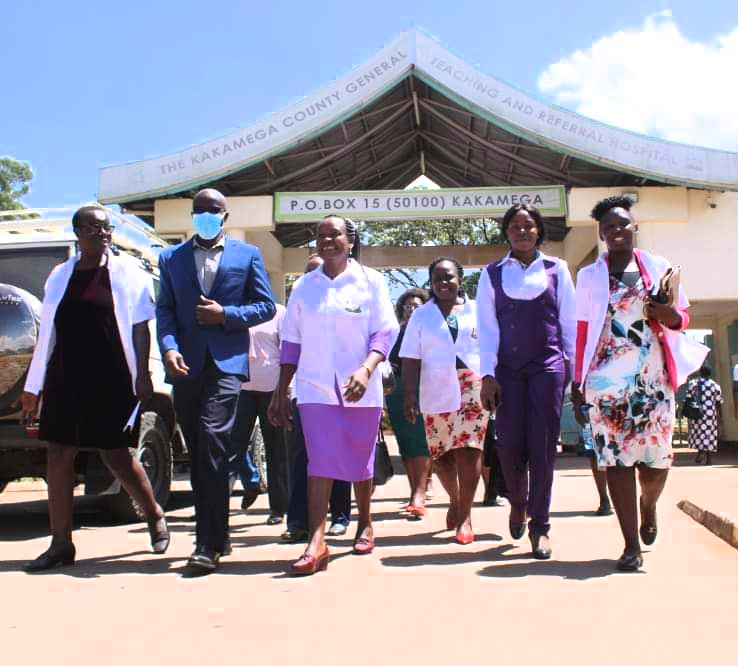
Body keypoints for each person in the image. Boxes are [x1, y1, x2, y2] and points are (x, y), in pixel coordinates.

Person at [19, 206, 168, 572]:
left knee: (115, 455)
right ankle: (61, 543)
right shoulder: (59, 275)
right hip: (65, 375)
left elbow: (139, 327)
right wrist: (33, 386)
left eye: (107, 228)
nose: (103, 233)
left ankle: (153, 513)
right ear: (78, 233)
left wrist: (143, 376)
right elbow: (48, 334)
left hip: (112, 375)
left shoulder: (127, 273)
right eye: (94, 228)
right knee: (58, 453)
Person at [572, 195, 698, 572]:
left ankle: (649, 504)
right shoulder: (589, 276)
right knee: (615, 461)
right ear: (602, 233)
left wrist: (668, 314)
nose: (617, 231)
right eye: (609, 227)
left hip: (652, 379)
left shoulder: (657, 267)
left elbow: (683, 318)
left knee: (657, 464)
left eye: (623, 224)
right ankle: (630, 545)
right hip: (605, 380)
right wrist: (578, 383)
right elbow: (581, 332)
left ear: (634, 227)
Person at [269, 216, 398, 575]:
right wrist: (282, 390)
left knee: (360, 461)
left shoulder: (372, 282)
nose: (327, 241)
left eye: (335, 234)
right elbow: (291, 341)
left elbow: (385, 331)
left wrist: (367, 369)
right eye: (321, 235)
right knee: (319, 461)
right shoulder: (304, 286)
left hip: (360, 387)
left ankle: (365, 522)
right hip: (314, 387)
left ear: (351, 239)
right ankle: (317, 541)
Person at [156, 188, 276, 573]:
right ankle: (218, 535)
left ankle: (206, 544)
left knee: (212, 443)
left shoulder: (247, 255)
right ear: (192, 217)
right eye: (199, 212)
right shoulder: (170, 258)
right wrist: (169, 348)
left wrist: (226, 314)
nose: (205, 216)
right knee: (200, 451)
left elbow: (265, 306)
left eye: (213, 211)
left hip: (227, 365)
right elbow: (166, 311)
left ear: (224, 216)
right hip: (185, 367)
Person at [476, 204, 576, 560]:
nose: (522, 231)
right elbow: (487, 330)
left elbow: (568, 324)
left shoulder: (556, 269)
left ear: (538, 231)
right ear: (506, 232)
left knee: (543, 447)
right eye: (515, 226)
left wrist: (574, 374)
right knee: (508, 446)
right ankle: (518, 502)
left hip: (548, 366)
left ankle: (540, 527)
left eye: (529, 225)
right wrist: (487, 375)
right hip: (507, 370)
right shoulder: (491, 274)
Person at [401, 257, 488, 545]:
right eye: (437, 278)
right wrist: (409, 395)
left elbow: (491, 348)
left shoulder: (479, 310)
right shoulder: (421, 316)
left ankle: (465, 516)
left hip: (472, 385)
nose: (443, 283)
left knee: (469, 448)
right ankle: (456, 499)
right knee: (442, 457)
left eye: (449, 277)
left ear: (460, 279)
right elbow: (410, 357)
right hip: (434, 386)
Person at [281, 254, 352, 544]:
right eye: (309, 271)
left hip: (343, 393)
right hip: (305, 393)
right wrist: (283, 389)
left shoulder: (350, 298)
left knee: (339, 454)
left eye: (319, 269)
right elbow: (289, 345)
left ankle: (340, 516)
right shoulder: (300, 299)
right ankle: (297, 521)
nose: (315, 275)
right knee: (302, 458)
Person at [230, 302, 289, 524]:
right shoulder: (235, 310)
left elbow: (287, 353)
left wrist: (285, 389)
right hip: (241, 388)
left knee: (276, 450)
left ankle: (278, 509)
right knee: (230, 446)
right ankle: (250, 482)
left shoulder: (279, 312)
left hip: (271, 389)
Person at [385, 288, 431, 517]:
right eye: (408, 306)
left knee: (420, 440)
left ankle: (419, 495)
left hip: (423, 389)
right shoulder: (395, 332)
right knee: (405, 441)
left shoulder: (429, 330)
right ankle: (415, 488)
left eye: (417, 306)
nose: (412, 310)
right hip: (396, 391)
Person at [685, 365, 723, 465]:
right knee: (710, 434)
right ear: (709, 374)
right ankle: (709, 459)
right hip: (711, 413)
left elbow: (688, 397)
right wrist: (719, 415)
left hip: (697, 411)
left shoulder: (693, 383)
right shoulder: (715, 385)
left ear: (700, 373)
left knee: (698, 433)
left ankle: (700, 451)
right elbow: (718, 401)